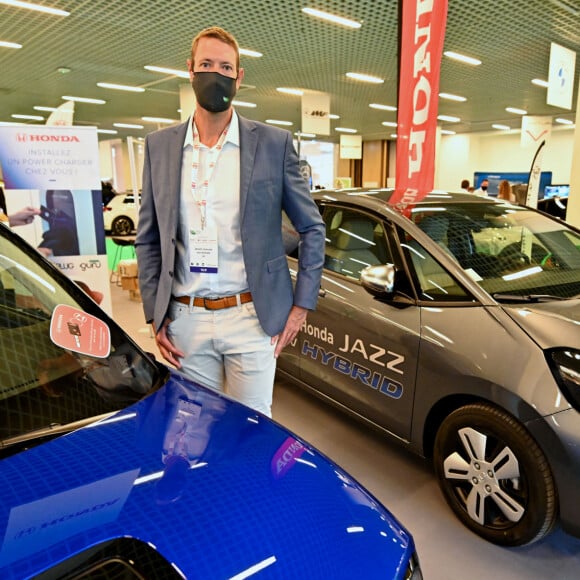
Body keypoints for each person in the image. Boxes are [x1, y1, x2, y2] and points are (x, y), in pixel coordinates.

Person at [135, 26, 325, 417]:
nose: (215, 74)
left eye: (225, 67)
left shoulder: (273, 144)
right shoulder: (160, 146)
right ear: (190, 70)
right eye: (206, 64)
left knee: (252, 432)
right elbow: (149, 238)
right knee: (192, 433)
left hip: (252, 317)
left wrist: (301, 306)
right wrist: (154, 314)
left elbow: (312, 228)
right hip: (185, 317)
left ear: (239, 77)